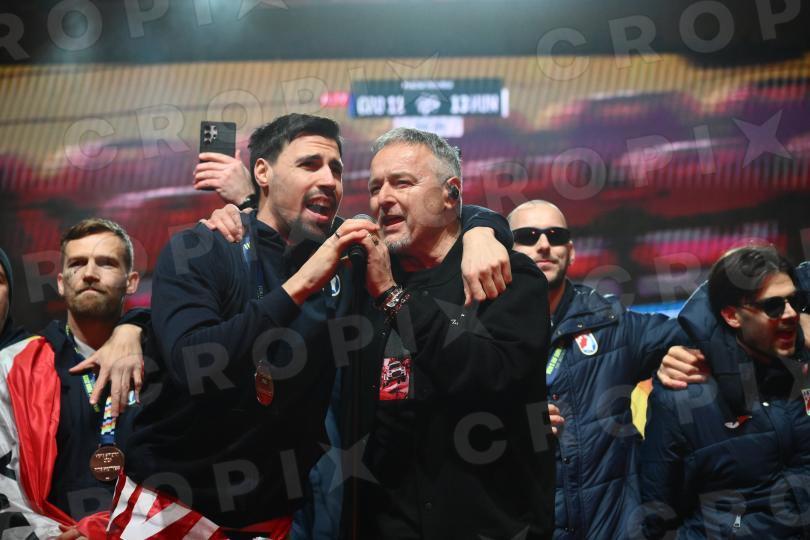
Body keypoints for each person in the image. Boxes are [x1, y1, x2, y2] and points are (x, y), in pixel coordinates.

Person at [116, 114, 514, 539]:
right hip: (170, 510)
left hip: (272, 518)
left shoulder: (348, 253)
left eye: (336, 169)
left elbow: (434, 212)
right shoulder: (205, 245)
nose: (329, 180)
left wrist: (483, 230)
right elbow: (193, 363)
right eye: (309, 165)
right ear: (263, 172)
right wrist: (130, 327)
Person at [340, 128, 556, 539]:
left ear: (450, 194)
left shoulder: (508, 275)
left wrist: (393, 297)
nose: (383, 198)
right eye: (375, 187)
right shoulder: (363, 276)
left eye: (402, 182)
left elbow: (491, 379)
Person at [507, 200, 690, 539]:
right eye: (528, 236)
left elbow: (698, 330)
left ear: (571, 251)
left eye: (555, 235)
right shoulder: (478, 330)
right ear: (504, 250)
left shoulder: (612, 323)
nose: (544, 244)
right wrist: (507, 424)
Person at [640, 246, 810, 538]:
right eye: (773, 306)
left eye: (794, 301)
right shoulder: (681, 395)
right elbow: (657, 518)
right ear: (732, 316)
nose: (791, 314)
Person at [0, 219, 145, 540]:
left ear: (132, 282)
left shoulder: (164, 362)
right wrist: (52, 536)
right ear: (62, 283)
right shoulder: (13, 365)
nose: (90, 273)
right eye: (77, 263)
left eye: (106, 263)